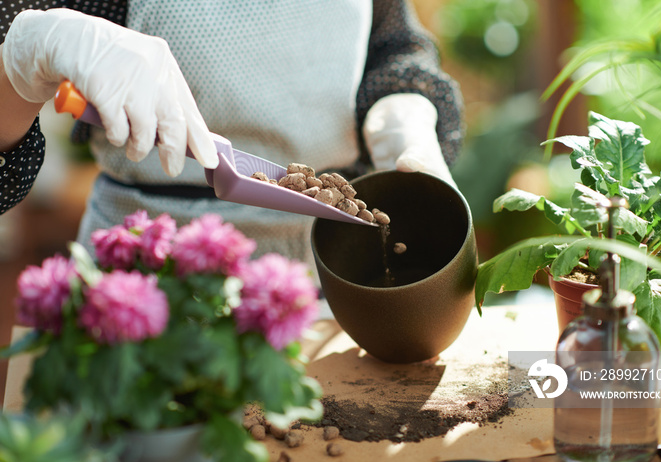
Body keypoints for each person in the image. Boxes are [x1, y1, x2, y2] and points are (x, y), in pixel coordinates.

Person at [0, 0, 464, 264]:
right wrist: (26, 59)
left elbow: (393, 44)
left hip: (324, 271)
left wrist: (403, 105)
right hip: (144, 274)